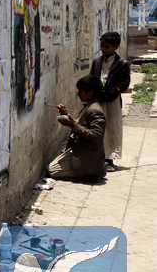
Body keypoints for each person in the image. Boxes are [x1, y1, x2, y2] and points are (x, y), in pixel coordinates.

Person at [47, 75, 106, 181]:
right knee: (51, 167)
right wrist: (66, 115)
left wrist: (72, 125)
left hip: (87, 153)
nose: (78, 94)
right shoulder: (89, 106)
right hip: (79, 149)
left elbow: (96, 135)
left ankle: (93, 171)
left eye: (81, 91)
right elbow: (81, 124)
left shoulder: (95, 110)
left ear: (90, 92)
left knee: (52, 171)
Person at [89, 32, 131, 168]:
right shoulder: (97, 62)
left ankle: (110, 158)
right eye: (102, 46)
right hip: (98, 99)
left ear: (116, 47)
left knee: (112, 129)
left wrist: (114, 90)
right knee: (97, 127)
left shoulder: (122, 64)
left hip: (112, 101)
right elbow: (92, 78)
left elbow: (125, 83)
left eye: (107, 47)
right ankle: (97, 157)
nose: (103, 49)